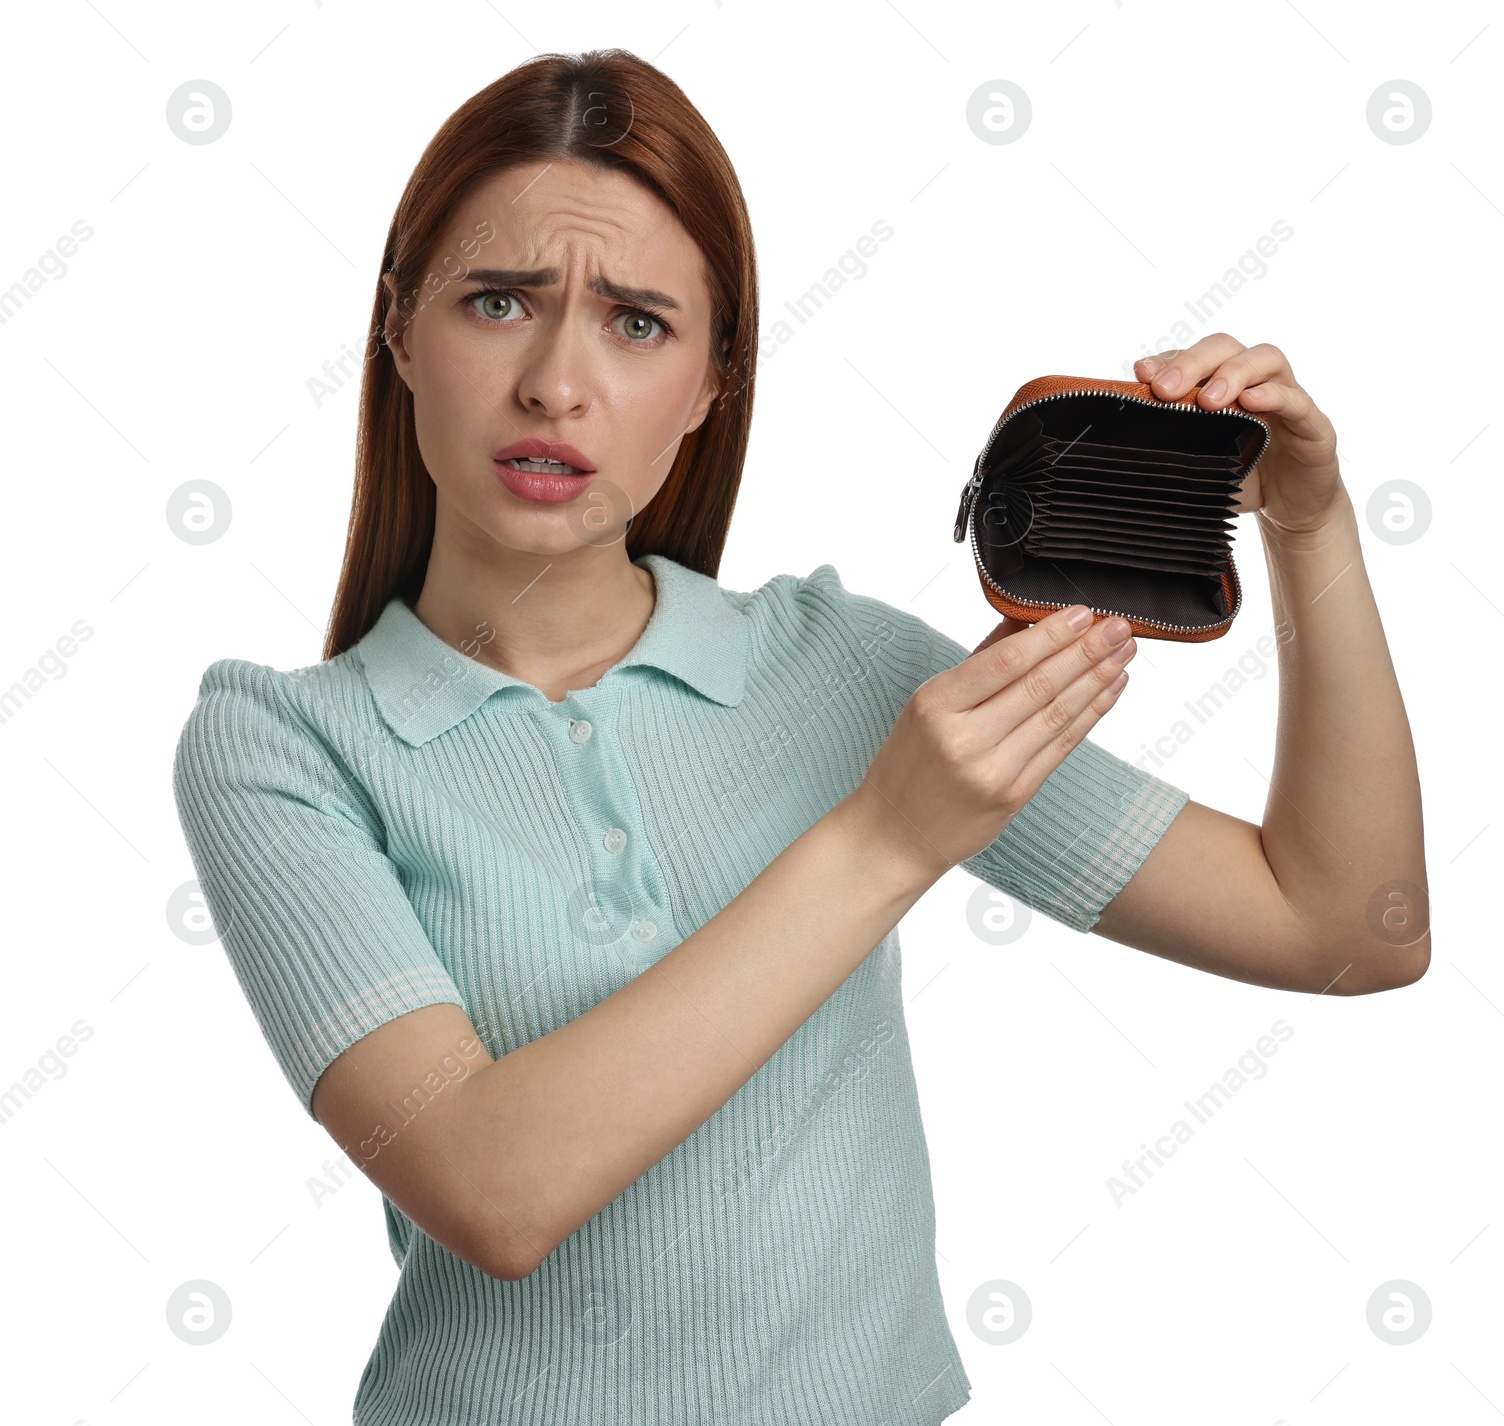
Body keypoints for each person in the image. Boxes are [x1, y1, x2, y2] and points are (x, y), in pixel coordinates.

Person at [170, 48, 1429, 1426]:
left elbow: (1348, 928)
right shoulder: (281, 748)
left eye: (637, 323)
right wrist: (888, 836)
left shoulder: (844, 672)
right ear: (402, 332)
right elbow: (490, 1186)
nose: (554, 383)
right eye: (497, 301)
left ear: (715, 378)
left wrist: (1311, 527)